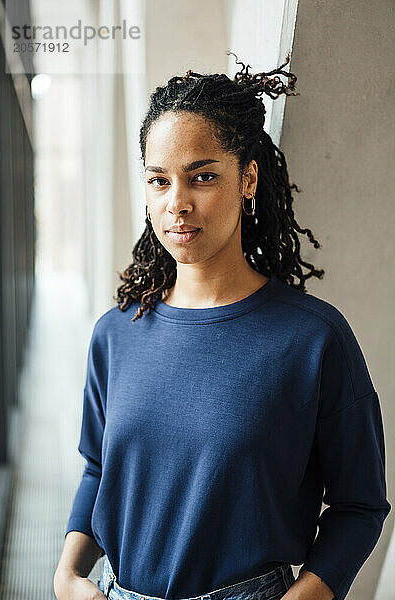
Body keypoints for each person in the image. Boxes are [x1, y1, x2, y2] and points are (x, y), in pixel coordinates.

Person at [54, 52, 391, 600]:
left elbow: (360, 506)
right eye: (158, 181)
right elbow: (98, 468)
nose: (177, 204)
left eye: (202, 177)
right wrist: (67, 575)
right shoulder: (116, 334)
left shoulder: (313, 339)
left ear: (248, 180)